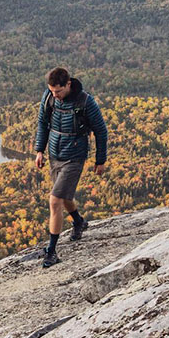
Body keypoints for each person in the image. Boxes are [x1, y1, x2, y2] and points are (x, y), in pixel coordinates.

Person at [33, 66, 108, 268]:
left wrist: (100, 160)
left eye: (58, 91)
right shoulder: (49, 97)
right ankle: (78, 221)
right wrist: (40, 150)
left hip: (75, 157)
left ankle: (51, 251)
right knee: (65, 198)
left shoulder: (85, 102)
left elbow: (101, 131)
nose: (55, 95)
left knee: (55, 200)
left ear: (68, 84)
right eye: (51, 91)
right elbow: (43, 123)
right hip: (54, 155)